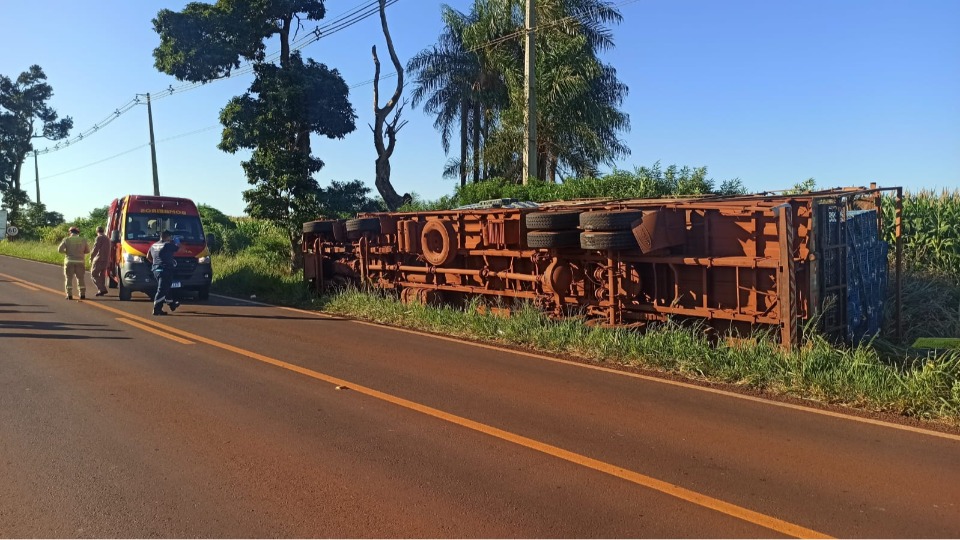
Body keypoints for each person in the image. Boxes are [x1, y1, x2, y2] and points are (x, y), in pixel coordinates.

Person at [146, 230, 181, 316]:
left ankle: (171, 304)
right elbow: (178, 248)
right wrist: (177, 241)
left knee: (166, 287)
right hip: (165, 270)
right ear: (168, 237)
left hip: (156, 270)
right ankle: (156, 308)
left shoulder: (154, 245)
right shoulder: (167, 245)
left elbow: (148, 257)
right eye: (170, 237)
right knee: (161, 289)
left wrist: (156, 263)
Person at [58, 226, 89, 300]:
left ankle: (69, 295)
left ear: (70, 232)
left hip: (69, 261)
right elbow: (87, 251)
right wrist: (80, 253)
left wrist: (67, 252)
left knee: (68, 278)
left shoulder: (66, 239)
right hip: (80, 262)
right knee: (80, 278)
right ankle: (82, 294)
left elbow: (60, 250)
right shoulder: (83, 240)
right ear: (78, 232)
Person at [90, 225, 111, 296]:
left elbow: (95, 249)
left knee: (94, 274)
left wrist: (91, 257)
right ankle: (101, 291)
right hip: (106, 260)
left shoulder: (99, 238)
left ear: (97, 231)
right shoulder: (107, 238)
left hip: (99, 259)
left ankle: (102, 289)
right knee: (102, 275)